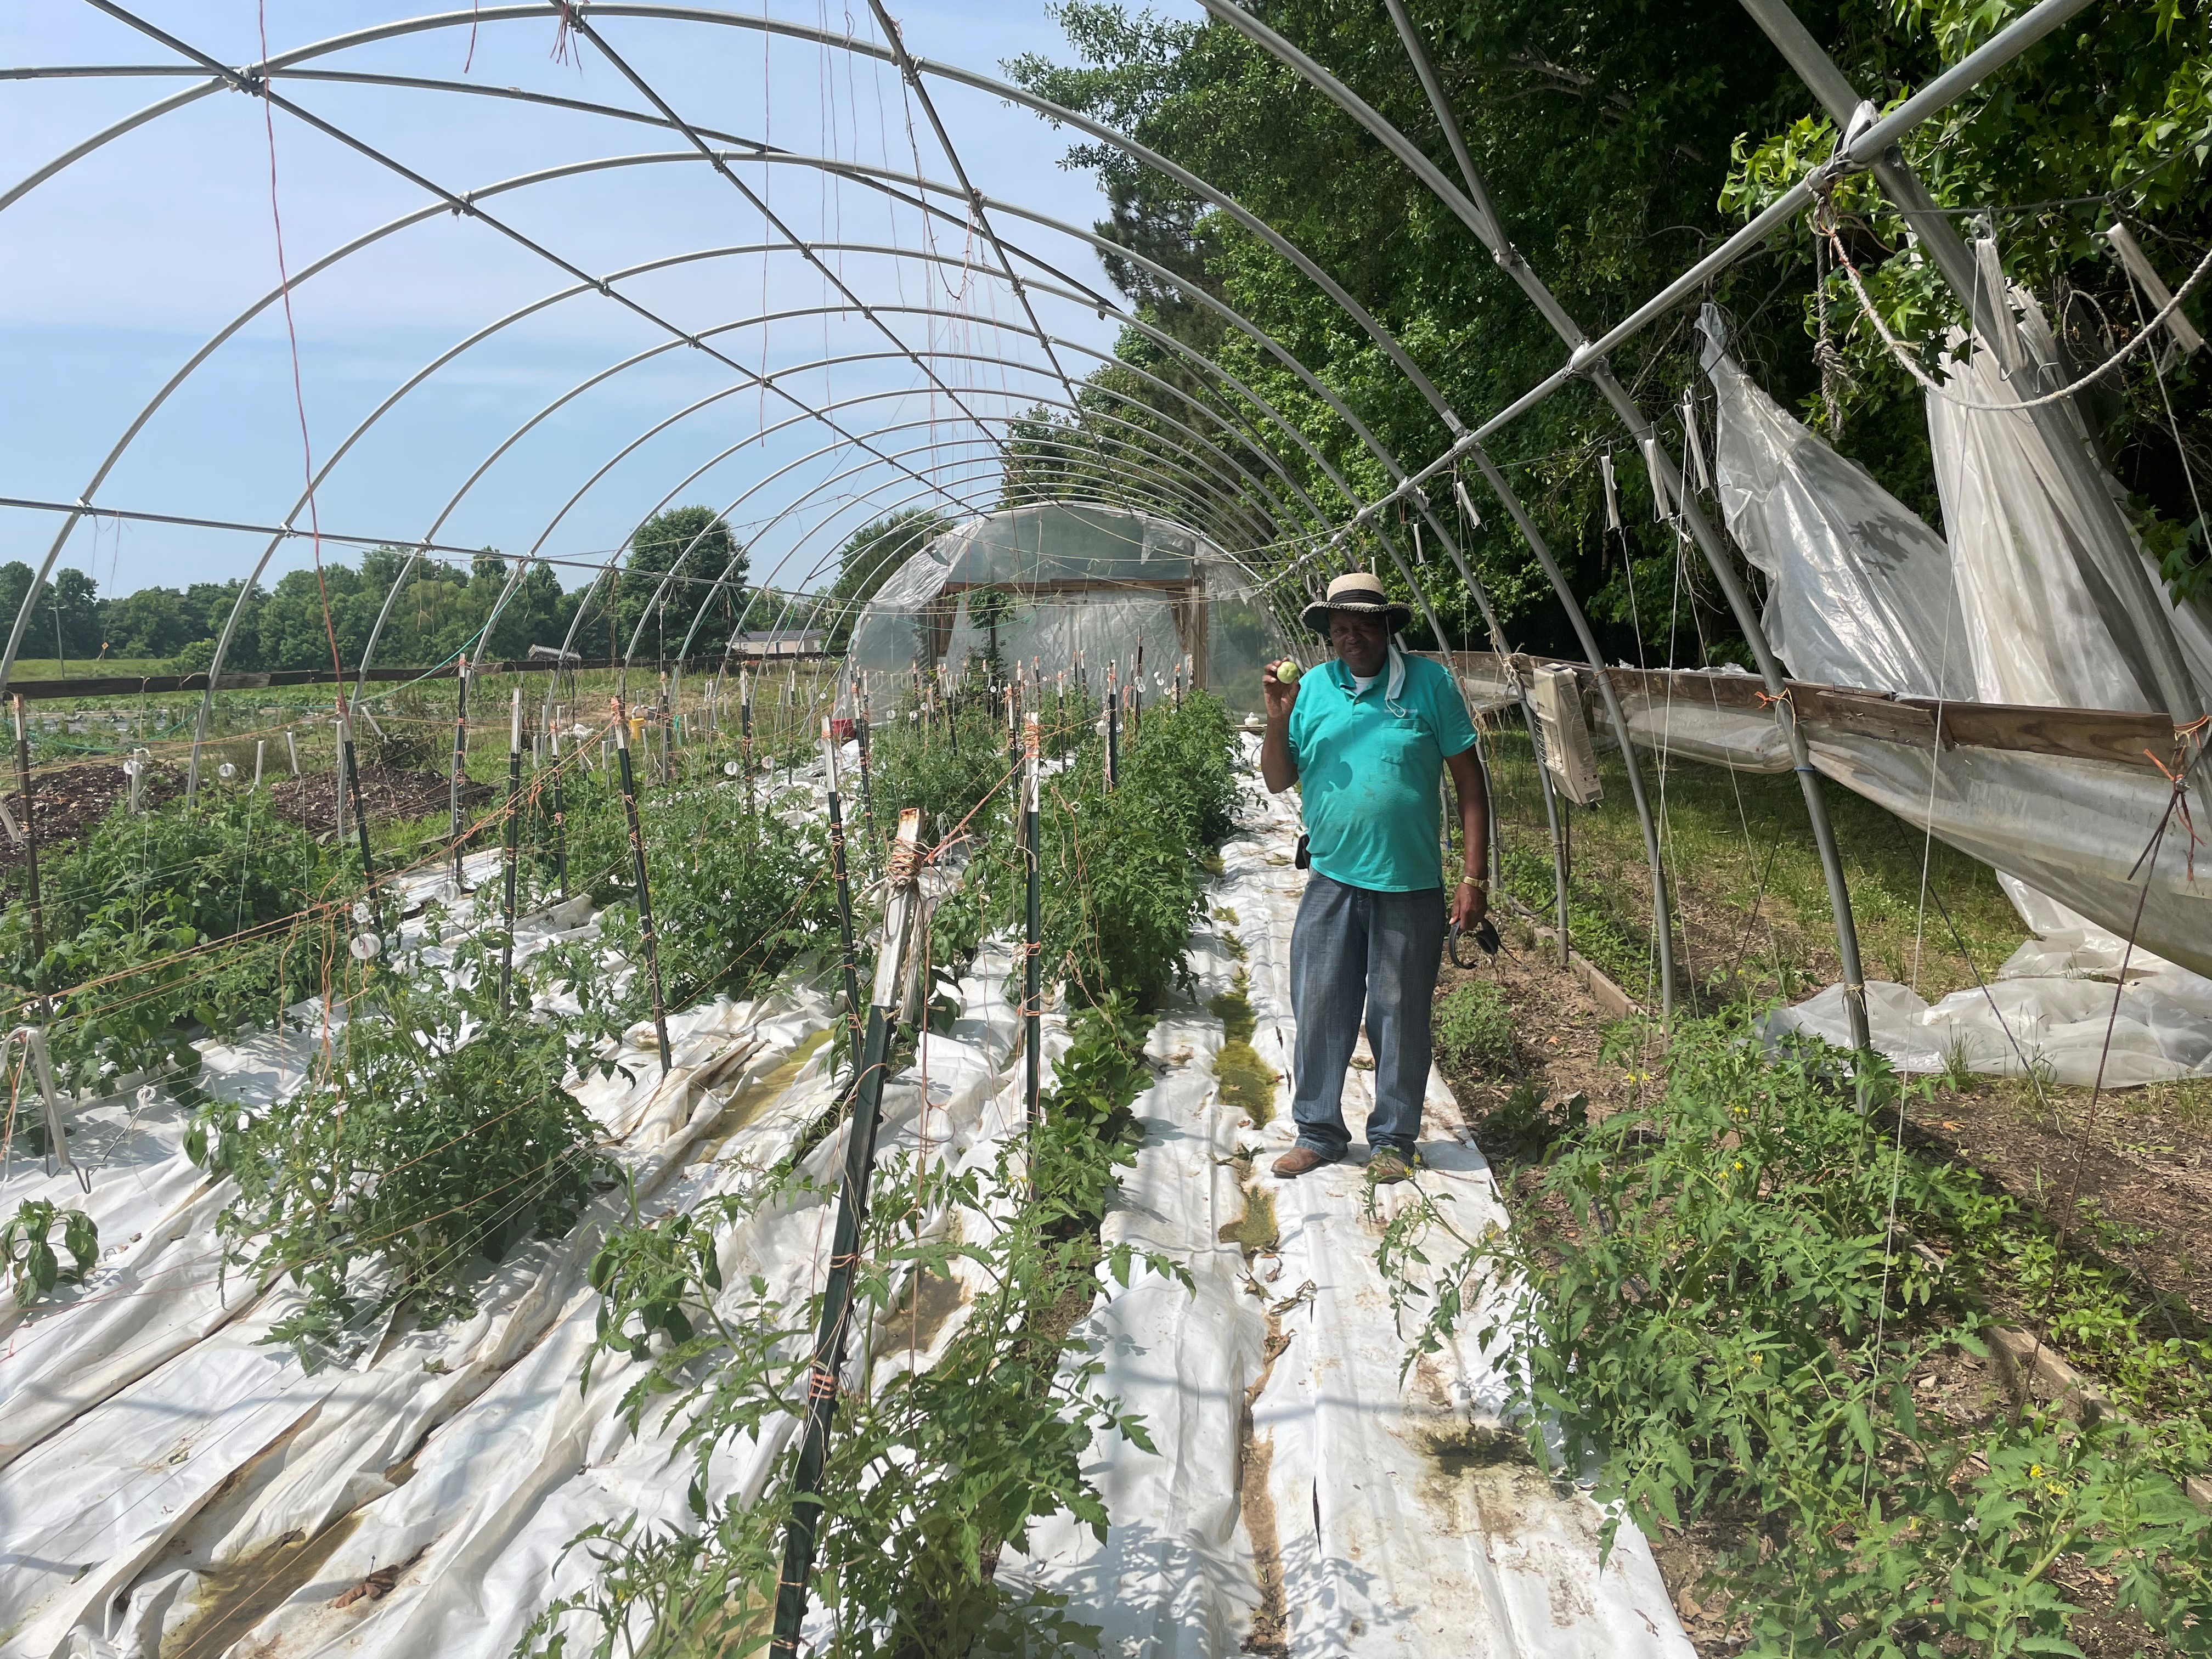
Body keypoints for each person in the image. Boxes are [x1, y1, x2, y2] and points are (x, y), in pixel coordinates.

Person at [1260, 571, 1489, 1184]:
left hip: (1410, 883)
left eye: (1363, 624)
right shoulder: (1310, 689)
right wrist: (1278, 720)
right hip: (1332, 878)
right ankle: (1318, 1133)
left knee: (1400, 1013)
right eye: (1339, 627)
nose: (1351, 636)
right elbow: (1279, 781)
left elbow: (1470, 781)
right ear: (1328, 633)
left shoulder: (1428, 684)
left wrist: (1474, 877)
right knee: (1319, 1006)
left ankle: (1393, 1138)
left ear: (1387, 626)